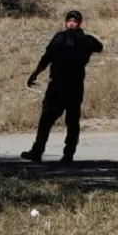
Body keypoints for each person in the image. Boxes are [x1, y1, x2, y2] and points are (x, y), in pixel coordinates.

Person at [21, 9, 104, 164]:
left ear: (79, 23)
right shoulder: (60, 38)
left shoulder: (84, 39)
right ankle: (37, 151)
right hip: (57, 85)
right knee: (46, 119)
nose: (71, 23)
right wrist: (35, 73)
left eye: (74, 21)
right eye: (69, 20)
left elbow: (99, 47)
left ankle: (68, 154)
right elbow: (46, 58)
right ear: (66, 22)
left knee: (72, 121)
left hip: (73, 85)